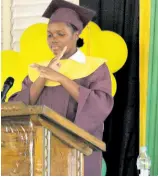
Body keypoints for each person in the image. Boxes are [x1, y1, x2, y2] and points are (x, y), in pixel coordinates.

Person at [9, 0, 114, 175]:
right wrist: (44, 77)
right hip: (39, 154)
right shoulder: (38, 70)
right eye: (49, 35)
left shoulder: (95, 67)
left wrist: (61, 78)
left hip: (78, 154)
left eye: (60, 34)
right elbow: (19, 108)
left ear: (77, 34)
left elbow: (99, 106)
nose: (53, 40)